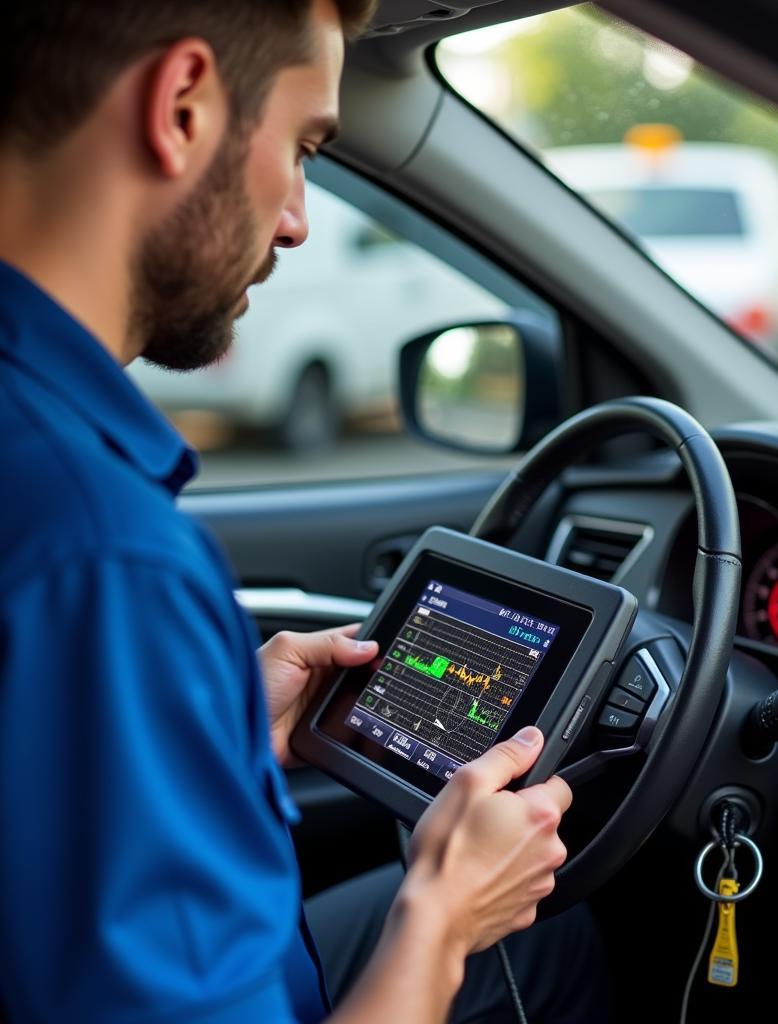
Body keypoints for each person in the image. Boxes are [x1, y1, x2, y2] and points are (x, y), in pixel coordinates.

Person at [0, 2, 612, 1021]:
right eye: (302, 147)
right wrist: (446, 916)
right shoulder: (104, 557)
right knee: (550, 947)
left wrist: (213, 723)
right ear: (182, 106)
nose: (295, 218)